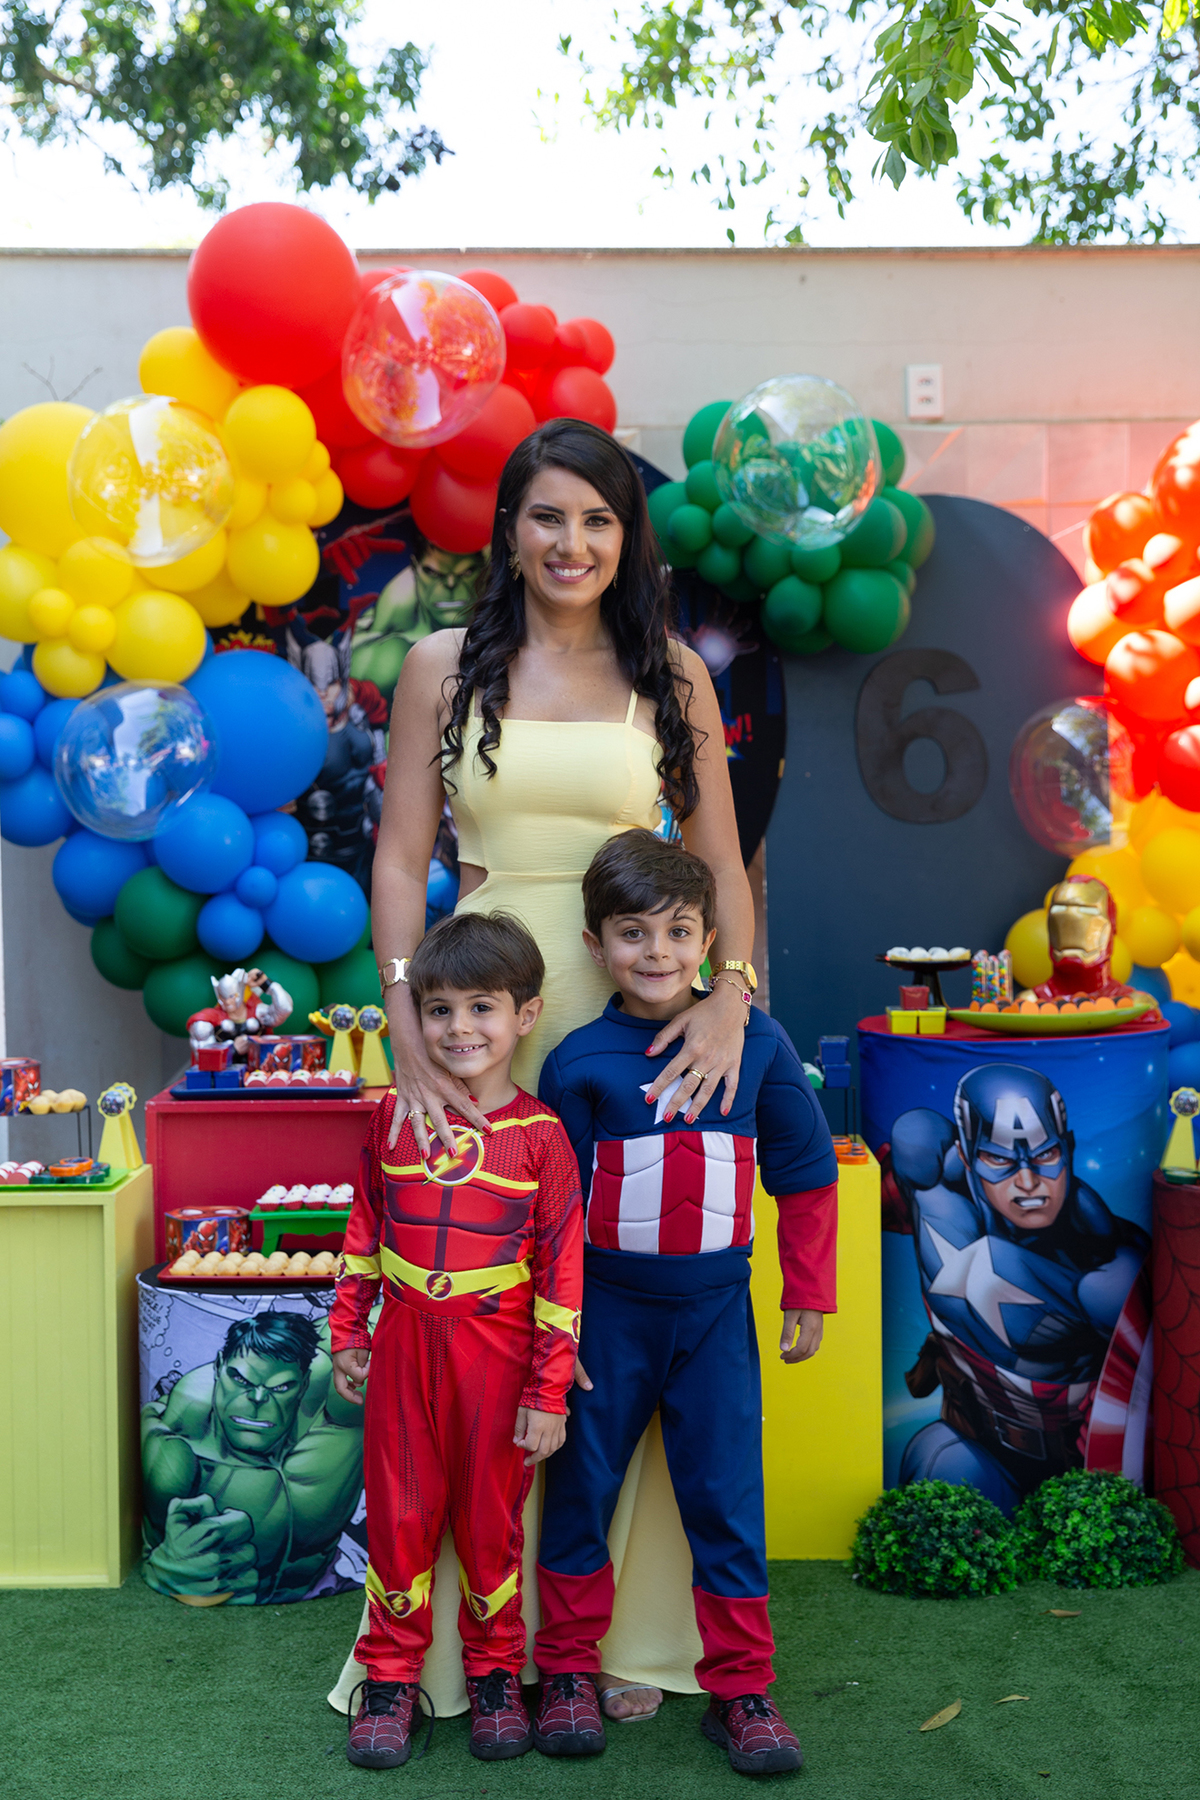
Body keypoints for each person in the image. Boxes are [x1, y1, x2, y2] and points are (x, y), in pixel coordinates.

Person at [360, 416, 760, 1722]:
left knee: (619, 1322)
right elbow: (399, 855)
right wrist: (406, 1014)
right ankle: (463, 1654)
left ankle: (621, 1635)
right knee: (490, 1330)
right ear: (510, 529)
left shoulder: (673, 677)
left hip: (636, 1027)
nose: (572, 542)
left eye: (597, 519)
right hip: (485, 1029)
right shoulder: (439, 666)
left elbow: (722, 868)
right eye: (548, 516)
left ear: (627, 538)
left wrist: (729, 1002)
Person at [531, 831, 838, 1776]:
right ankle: (567, 1669)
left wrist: (809, 1290)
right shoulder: (577, 1062)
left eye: (678, 931)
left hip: (715, 1324)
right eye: (633, 932)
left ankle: (743, 1689)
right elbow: (551, 1212)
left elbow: (805, 1167)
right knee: (580, 1491)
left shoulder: (759, 1043)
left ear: (710, 940)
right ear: (596, 946)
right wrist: (556, 1331)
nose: (657, 952)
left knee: (726, 1499)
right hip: (606, 1325)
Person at [330, 911, 583, 1769]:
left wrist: (548, 1392)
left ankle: (496, 1679)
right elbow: (365, 1229)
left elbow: (562, 1275)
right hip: (404, 1349)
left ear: (526, 1015)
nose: (459, 1028)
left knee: (490, 1524)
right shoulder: (391, 1119)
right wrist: (347, 1329)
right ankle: (389, 1680)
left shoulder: (542, 1138)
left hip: (497, 1357)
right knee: (399, 1516)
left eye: (482, 1007)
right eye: (439, 1010)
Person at [885, 1061, 1150, 1514]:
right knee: (939, 1466)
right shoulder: (931, 1186)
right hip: (979, 1447)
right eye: (1000, 1161)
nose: (1028, 1183)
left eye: (1045, 1156)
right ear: (966, 1156)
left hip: (1079, 1473)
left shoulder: (1107, 1269)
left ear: (1067, 1149)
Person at [141, 1311, 365, 1605]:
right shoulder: (179, 1445)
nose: (258, 1399)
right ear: (219, 1367)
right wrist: (173, 1565)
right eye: (240, 1380)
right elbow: (164, 1554)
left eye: (280, 1387)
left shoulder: (337, 1407)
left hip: (331, 1577)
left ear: (303, 1384)